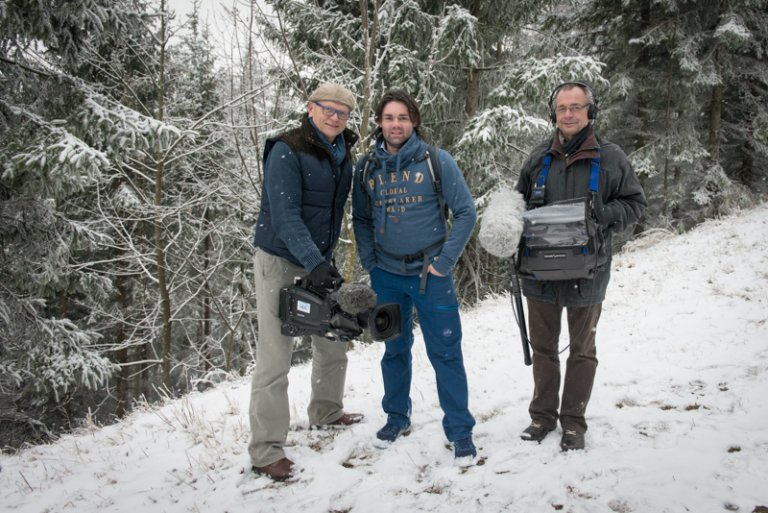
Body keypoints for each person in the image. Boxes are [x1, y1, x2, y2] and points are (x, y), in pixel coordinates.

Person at [515, 81, 647, 451]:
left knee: (582, 349)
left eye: (576, 107)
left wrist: (603, 216)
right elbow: (517, 204)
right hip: (540, 272)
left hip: (588, 272)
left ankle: (573, 422)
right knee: (542, 347)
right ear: (552, 113)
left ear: (591, 111)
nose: (568, 114)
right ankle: (542, 417)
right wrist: (504, 228)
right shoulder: (538, 157)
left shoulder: (611, 157)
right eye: (562, 108)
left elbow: (635, 204)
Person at [352, 89, 478, 462]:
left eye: (403, 118)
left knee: (446, 353)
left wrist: (444, 262)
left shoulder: (437, 161)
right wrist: (371, 263)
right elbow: (360, 219)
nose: (396, 125)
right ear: (379, 123)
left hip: (431, 276)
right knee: (394, 350)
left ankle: (460, 431)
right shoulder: (366, 168)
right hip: (386, 276)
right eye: (389, 118)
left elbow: (466, 213)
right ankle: (396, 416)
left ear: (414, 122)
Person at [249, 82, 363, 481]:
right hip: (280, 261)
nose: (335, 116)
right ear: (310, 109)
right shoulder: (286, 148)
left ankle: (327, 411)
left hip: (319, 261)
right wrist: (314, 262)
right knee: (275, 355)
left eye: (343, 112)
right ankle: (266, 451)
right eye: (327, 109)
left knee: (334, 337)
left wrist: (323, 261)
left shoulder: (343, 152)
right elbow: (285, 215)